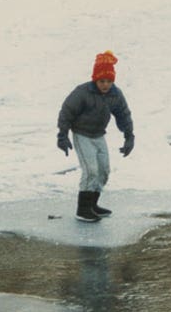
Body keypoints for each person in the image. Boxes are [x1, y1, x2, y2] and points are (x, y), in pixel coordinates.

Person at [56, 51, 134, 223]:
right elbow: (66, 112)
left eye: (109, 81)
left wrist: (129, 136)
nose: (105, 85)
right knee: (91, 171)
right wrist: (62, 135)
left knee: (104, 171)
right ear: (95, 80)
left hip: (98, 135)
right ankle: (82, 210)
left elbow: (123, 114)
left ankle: (92, 205)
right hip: (82, 134)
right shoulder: (82, 92)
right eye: (102, 81)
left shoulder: (115, 94)